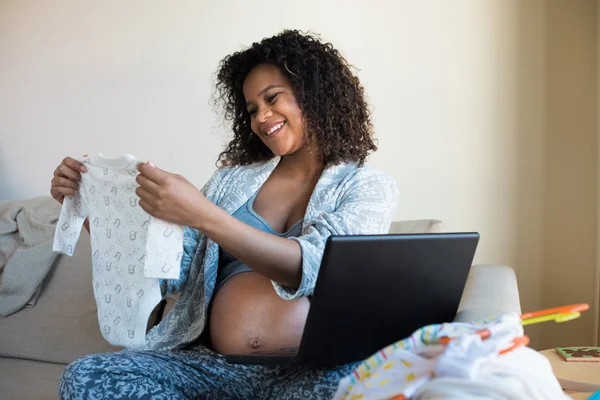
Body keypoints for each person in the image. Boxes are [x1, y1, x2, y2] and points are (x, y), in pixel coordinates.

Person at [51, 30, 399, 399]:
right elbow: (170, 271)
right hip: (210, 367)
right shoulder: (229, 183)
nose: (262, 117)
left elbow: (317, 267)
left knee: (355, 387)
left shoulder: (367, 186)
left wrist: (203, 215)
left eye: (272, 98)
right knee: (87, 376)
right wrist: (89, 208)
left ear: (314, 95)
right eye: (251, 109)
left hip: (308, 369)